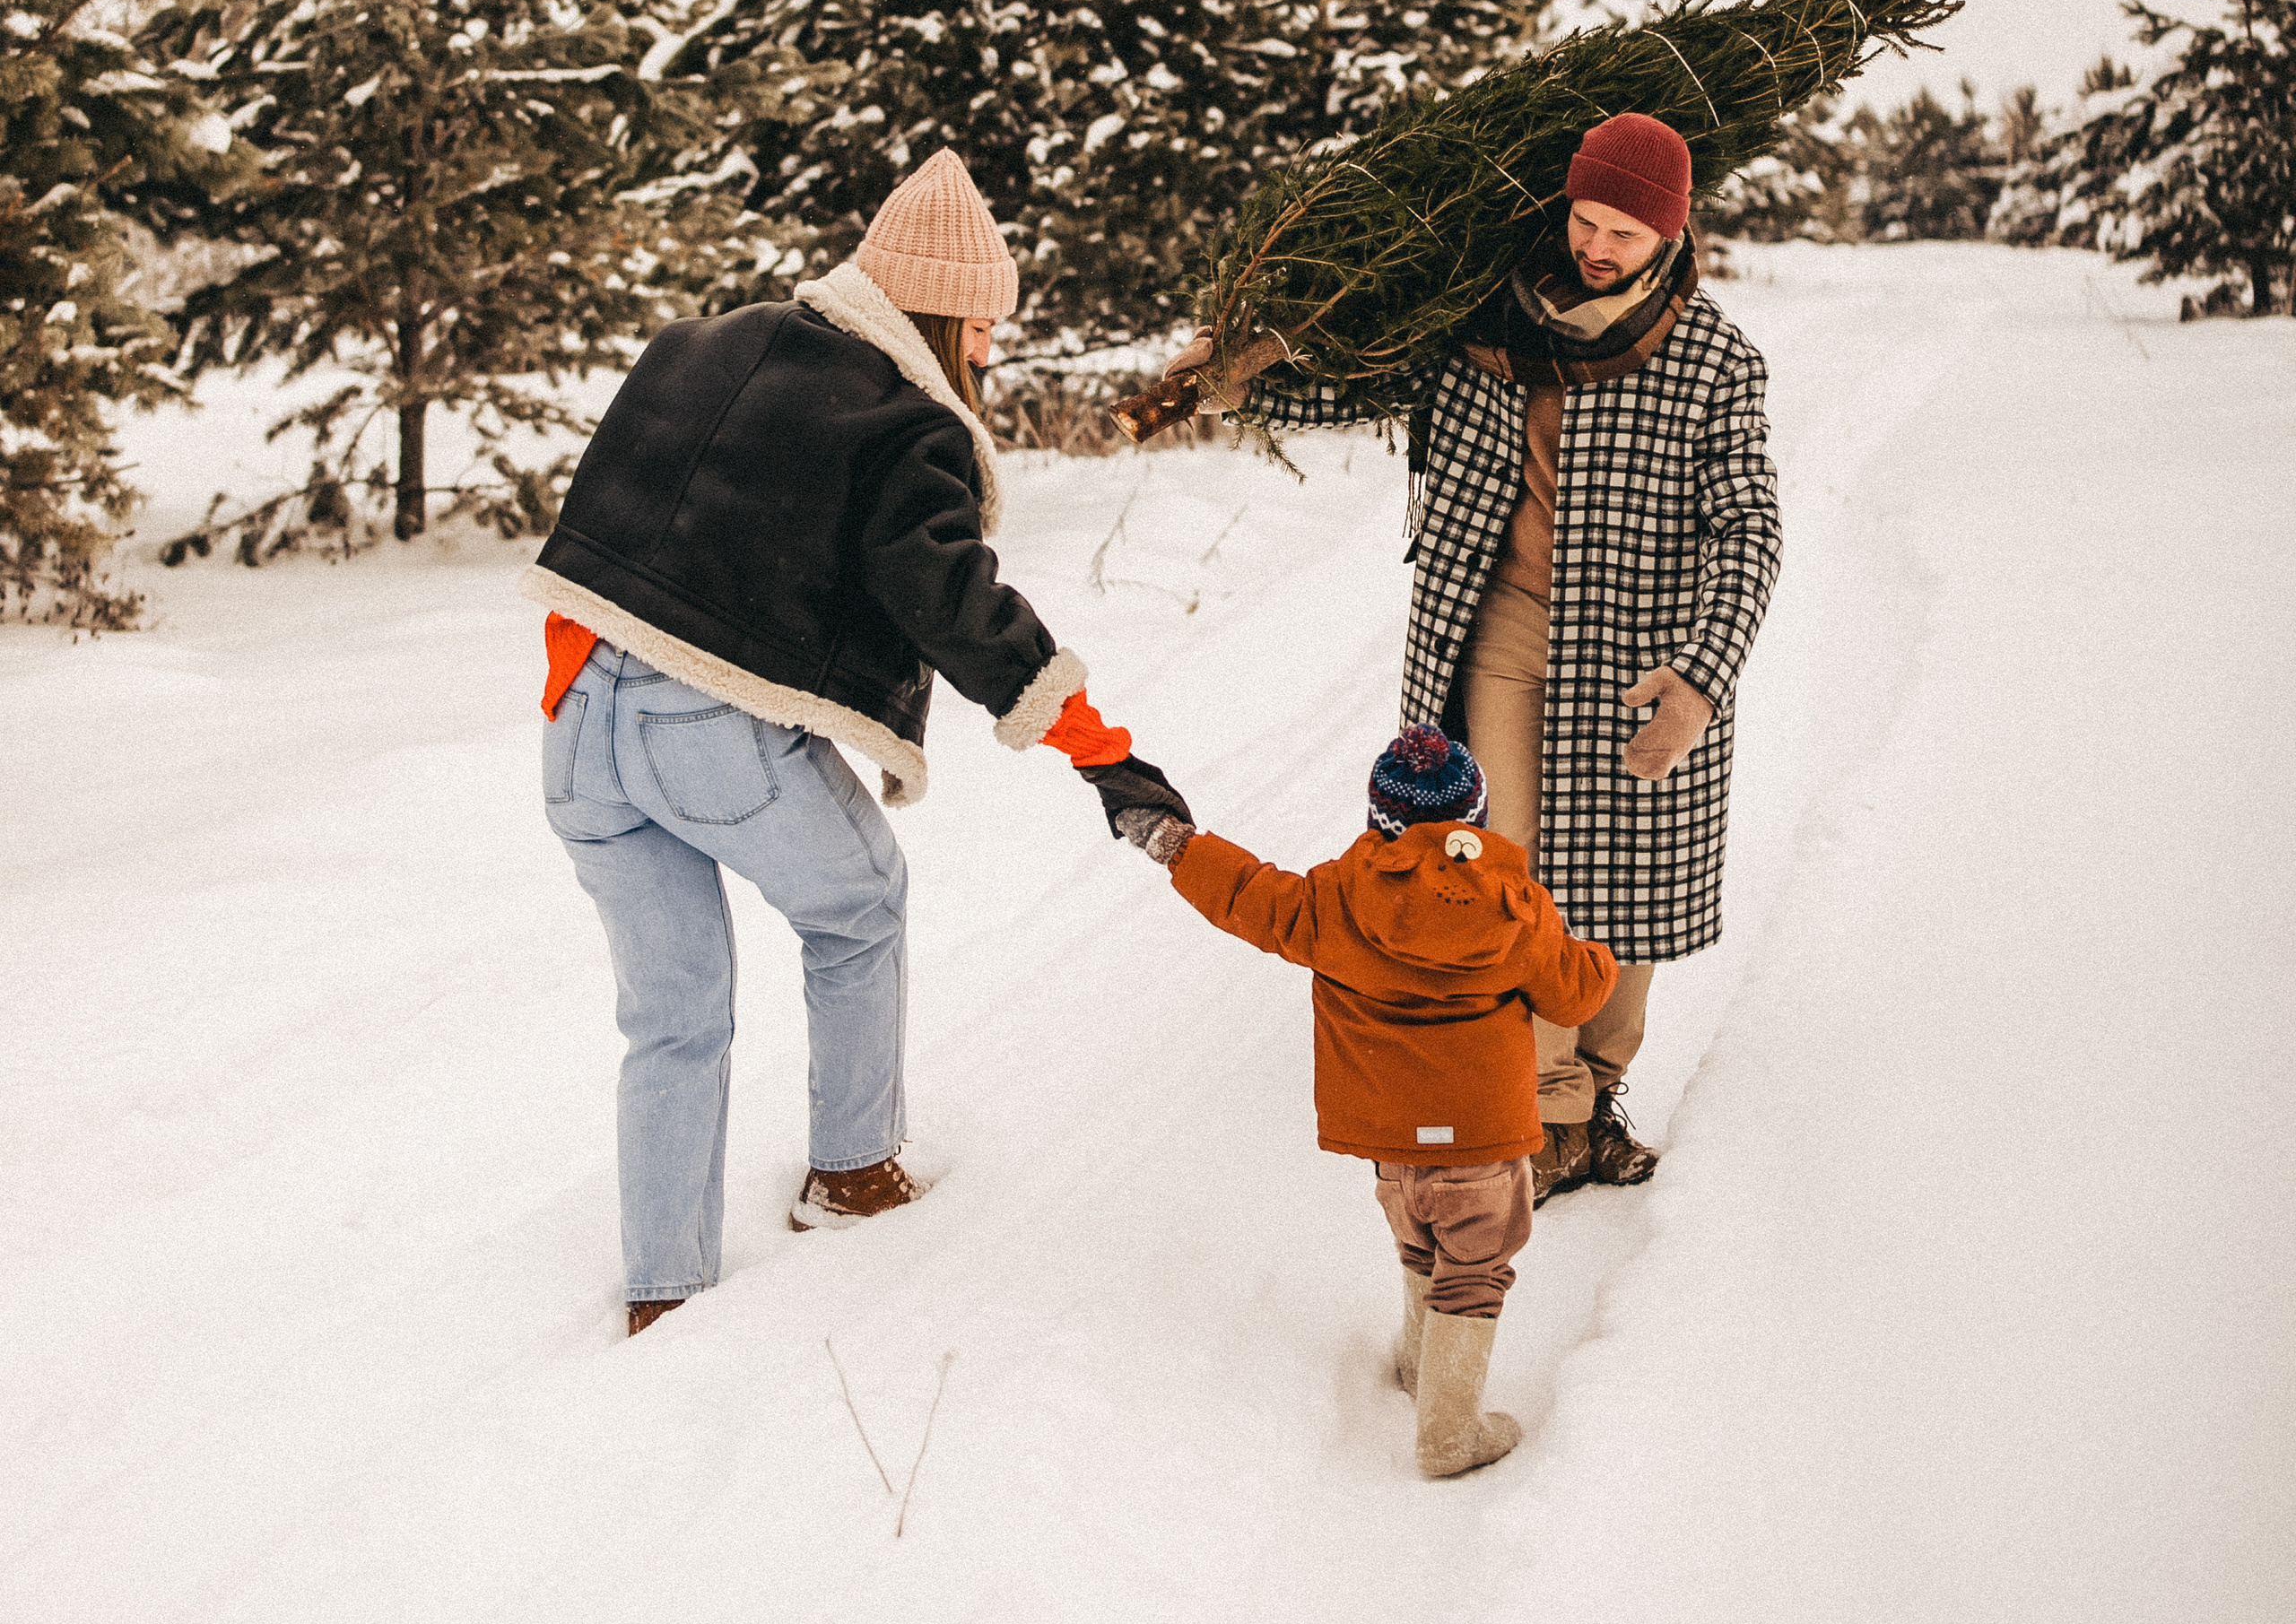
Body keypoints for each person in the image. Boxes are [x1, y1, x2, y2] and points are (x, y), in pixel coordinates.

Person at [526, 149, 1159, 1334]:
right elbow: (954, 604)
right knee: (859, 905)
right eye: (984, 329)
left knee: (674, 1015)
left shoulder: (703, 344)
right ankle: (855, 1173)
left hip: (574, 717)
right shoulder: (898, 420)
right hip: (699, 723)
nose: (989, 355)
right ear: (938, 312)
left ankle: (664, 1289)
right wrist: (1093, 743)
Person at [1168, 110, 1781, 1203]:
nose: (1596, 246)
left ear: (1672, 238)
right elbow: (1355, 388)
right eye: (1585, 219)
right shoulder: (1483, 313)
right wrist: (1239, 377)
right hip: (1494, 627)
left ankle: (1595, 1089)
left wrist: (1699, 677)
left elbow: (1750, 528)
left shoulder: (1713, 359)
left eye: (1624, 234)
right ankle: (1542, 1114)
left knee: (1622, 888)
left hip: (1643, 654)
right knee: (1505, 869)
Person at [1114, 724, 1617, 1477]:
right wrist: (1595, 956)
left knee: (1420, 1240)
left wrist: (1173, 842)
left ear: (1378, 824)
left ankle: (1422, 1365)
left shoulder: (1333, 901)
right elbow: (1576, 996)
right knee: (1475, 1268)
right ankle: (1450, 1431)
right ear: (1474, 822)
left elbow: (1246, 892)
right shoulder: (1517, 912)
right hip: (1482, 1146)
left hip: (1392, 1146)